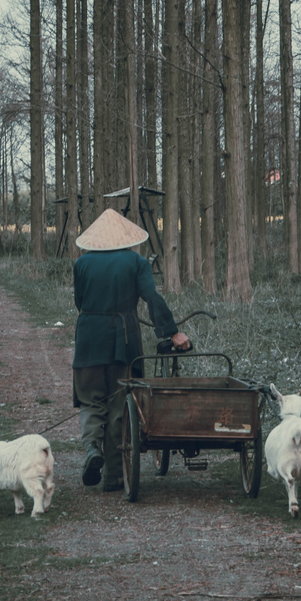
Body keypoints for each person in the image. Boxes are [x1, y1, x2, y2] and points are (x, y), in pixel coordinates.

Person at [72, 209, 190, 491]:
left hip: (88, 338)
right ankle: (114, 475)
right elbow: (152, 297)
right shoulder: (136, 263)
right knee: (118, 406)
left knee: (90, 402)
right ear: (126, 236)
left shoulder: (82, 264)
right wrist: (172, 332)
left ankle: (92, 450)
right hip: (123, 341)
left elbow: (80, 302)